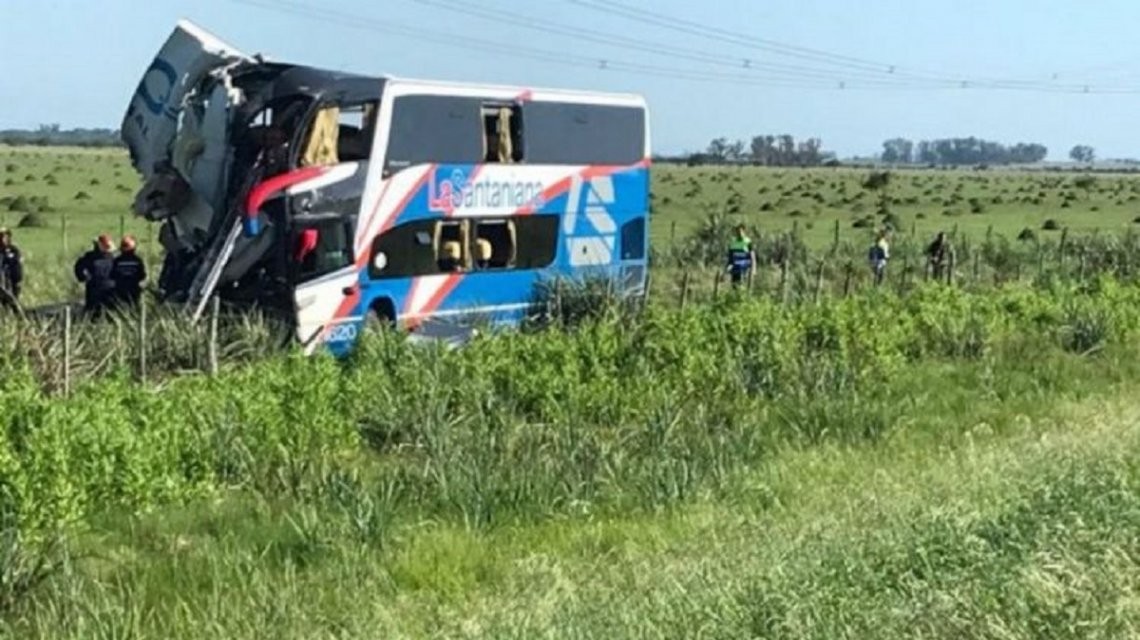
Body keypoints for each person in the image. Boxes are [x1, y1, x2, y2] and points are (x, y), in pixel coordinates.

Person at [73, 234, 117, 318]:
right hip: (94, 290)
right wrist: (83, 277)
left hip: (110, 290)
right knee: (93, 314)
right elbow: (78, 267)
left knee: (109, 314)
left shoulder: (114, 257)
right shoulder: (90, 257)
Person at [112, 235, 147, 308]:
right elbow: (142, 275)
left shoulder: (117, 261)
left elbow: (112, 275)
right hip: (134, 289)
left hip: (119, 289)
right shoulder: (137, 260)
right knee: (133, 307)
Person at [0, 227, 23, 303]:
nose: (3, 239)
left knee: (14, 301)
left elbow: (19, 263)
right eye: (1, 236)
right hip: (3, 283)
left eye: (5, 236)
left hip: (14, 281)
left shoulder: (14, 250)